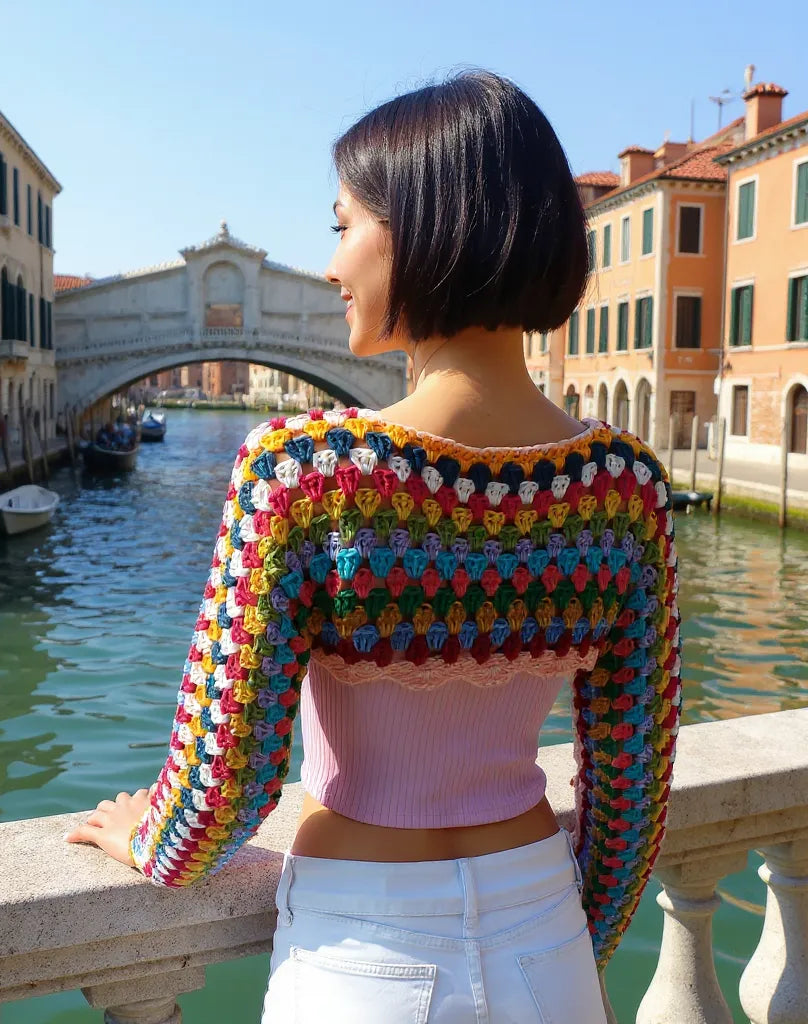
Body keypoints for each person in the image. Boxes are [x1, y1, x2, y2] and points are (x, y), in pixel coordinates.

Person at [65, 70, 682, 1023]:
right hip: (547, 938)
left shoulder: (303, 474)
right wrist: (566, 945)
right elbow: (631, 792)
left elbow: (227, 781)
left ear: (426, 231)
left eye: (344, 225)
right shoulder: (624, 490)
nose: (331, 266)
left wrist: (151, 840)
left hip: (362, 957)